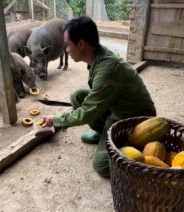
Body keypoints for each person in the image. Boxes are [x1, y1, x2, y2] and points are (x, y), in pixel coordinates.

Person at [41, 16, 156, 178]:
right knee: (77, 96)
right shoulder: (98, 55)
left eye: (67, 46)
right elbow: (92, 102)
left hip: (134, 118)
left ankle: (126, 143)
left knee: (101, 164)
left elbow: (88, 112)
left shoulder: (107, 69)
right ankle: (104, 132)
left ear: (81, 44)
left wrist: (56, 120)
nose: (66, 50)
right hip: (117, 106)